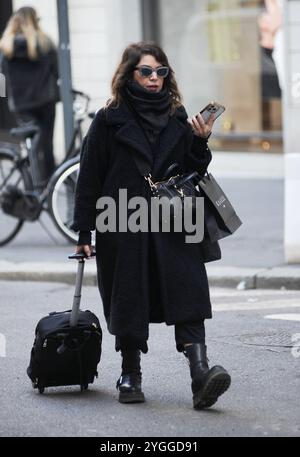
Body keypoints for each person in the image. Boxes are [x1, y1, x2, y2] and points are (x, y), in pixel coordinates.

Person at [71, 41, 231, 409]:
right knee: (129, 296)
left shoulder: (178, 116)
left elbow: (193, 170)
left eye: (161, 71)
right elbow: (90, 178)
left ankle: (201, 372)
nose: (155, 78)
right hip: (122, 220)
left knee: (188, 290)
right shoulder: (109, 119)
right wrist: (84, 233)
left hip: (173, 219)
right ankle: (130, 373)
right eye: (146, 71)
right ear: (129, 74)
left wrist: (201, 141)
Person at [0, 6, 60, 182]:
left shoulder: (6, 46)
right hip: (45, 101)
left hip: (21, 104)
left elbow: (2, 75)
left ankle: (34, 183)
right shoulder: (45, 42)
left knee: (31, 145)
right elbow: (56, 72)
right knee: (47, 144)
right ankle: (49, 185)